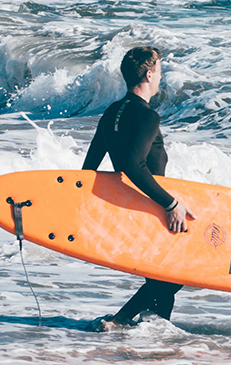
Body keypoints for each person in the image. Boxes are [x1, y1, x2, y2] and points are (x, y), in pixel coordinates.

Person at [81, 46, 194, 331]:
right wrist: (171, 204)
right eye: (159, 70)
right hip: (152, 209)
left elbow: (88, 169)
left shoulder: (111, 112)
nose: (161, 76)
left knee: (165, 277)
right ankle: (123, 323)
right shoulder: (147, 117)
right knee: (172, 275)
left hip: (129, 208)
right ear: (148, 73)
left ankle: (150, 335)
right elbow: (134, 166)